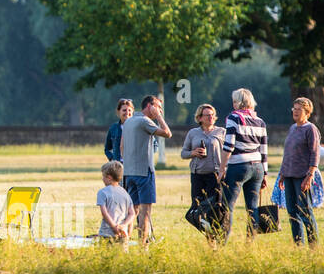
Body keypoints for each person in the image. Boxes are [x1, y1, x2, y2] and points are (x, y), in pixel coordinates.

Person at [119, 95, 171, 245]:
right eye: (158, 107)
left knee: (132, 211)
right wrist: (159, 117)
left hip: (129, 173)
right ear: (149, 106)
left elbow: (122, 146)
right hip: (144, 172)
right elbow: (167, 133)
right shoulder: (145, 121)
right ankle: (143, 246)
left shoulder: (128, 121)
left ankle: (125, 242)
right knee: (145, 212)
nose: (160, 110)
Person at [219, 87, 268, 242]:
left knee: (228, 206)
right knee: (252, 208)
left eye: (235, 100)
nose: (233, 104)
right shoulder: (260, 121)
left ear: (240, 102)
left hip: (239, 166)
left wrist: (222, 168)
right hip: (257, 167)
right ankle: (250, 243)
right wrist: (265, 174)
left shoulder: (234, 117)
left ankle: (222, 241)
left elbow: (229, 146)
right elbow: (263, 149)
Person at [280, 97, 320, 247]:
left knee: (305, 212)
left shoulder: (310, 129)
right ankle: (298, 245)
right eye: (294, 108)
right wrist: (282, 174)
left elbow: (314, 154)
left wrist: (309, 176)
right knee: (292, 213)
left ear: (307, 112)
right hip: (289, 175)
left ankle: (313, 246)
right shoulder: (292, 128)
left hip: (302, 177)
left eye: (299, 109)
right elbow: (288, 153)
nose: (295, 112)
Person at [181, 102, 226, 237]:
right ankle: (207, 232)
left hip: (215, 175)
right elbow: (183, 153)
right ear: (200, 118)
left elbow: (229, 152)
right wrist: (193, 153)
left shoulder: (222, 132)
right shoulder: (193, 133)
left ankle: (215, 236)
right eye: (207, 115)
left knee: (214, 209)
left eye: (212, 115)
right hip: (197, 175)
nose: (210, 117)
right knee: (197, 208)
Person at [96, 161, 134, 245]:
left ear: (109, 177)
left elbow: (104, 213)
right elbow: (132, 214)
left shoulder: (102, 192)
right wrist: (124, 226)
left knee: (106, 256)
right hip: (123, 234)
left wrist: (114, 227)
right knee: (122, 257)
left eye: (103, 176)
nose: (102, 179)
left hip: (107, 233)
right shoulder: (125, 193)